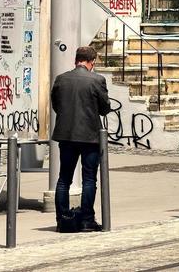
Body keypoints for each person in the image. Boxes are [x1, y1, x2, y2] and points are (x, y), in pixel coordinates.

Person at [50, 45, 111, 233]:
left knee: (63, 179)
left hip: (66, 135)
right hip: (90, 136)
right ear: (91, 62)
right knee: (89, 179)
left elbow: (56, 105)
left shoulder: (61, 79)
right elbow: (104, 108)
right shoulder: (97, 80)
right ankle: (86, 220)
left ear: (76, 60)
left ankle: (62, 220)